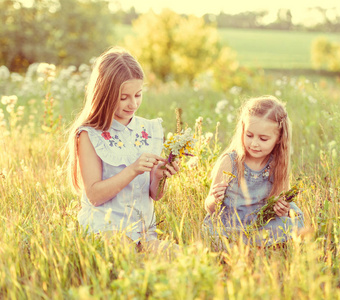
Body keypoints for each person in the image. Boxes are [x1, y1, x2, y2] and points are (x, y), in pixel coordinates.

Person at [66, 46, 179, 252]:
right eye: (123, 97)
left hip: (143, 231)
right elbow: (94, 195)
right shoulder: (90, 135)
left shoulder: (149, 130)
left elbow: (155, 195)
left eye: (138, 94)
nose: (133, 104)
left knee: (178, 257)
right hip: (106, 228)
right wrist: (132, 169)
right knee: (125, 257)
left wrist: (159, 178)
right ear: (104, 94)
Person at [203, 95, 304, 247]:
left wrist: (281, 209)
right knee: (220, 235)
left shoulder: (278, 165)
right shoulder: (230, 162)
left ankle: (251, 244)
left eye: (263, 139)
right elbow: (209, 207)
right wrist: (215, 199)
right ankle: (248, 244)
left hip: (261, 224)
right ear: (242, 130)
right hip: (232, 224)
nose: (254, 143)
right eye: (249, 135)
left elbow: (279, 203)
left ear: (278, 138)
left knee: (294, 221)